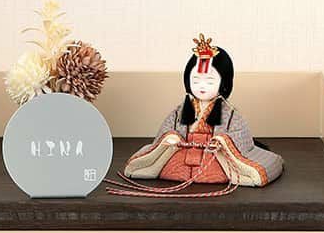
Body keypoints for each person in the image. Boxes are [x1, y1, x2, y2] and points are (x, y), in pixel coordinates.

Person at [120, 34, 282, 190]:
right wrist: (171, 139)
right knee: (160, 168)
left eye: (210, 81)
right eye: (196, 80)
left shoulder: (231, 114)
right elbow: (166, 131)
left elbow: (239, 135)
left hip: (213, 159)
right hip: (181, 159)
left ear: (224, 83)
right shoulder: (179, 112)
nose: (202, 86)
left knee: (222, 172)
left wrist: (222, 142)